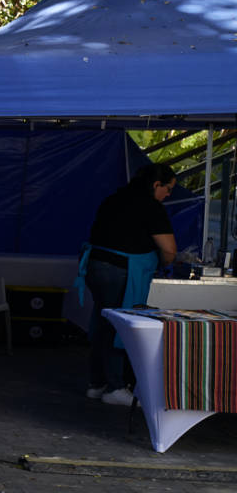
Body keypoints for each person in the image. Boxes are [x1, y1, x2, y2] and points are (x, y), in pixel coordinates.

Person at [76, 161, 178, 406]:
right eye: (168, 189)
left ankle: (96, 383)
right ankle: (115, 387)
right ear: (156, 184)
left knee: (102, 323)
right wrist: (166, 262)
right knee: (119, 326)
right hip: (120, 271)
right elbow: (169, 249)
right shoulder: (151, 206)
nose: (168, 195)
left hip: (95, 267)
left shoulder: (114, 199)